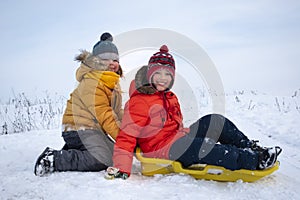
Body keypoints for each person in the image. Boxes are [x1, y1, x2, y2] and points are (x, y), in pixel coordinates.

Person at [105, 45, 282, 179]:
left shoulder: (170, 96)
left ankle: (250, 147)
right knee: (206, 148)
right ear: (150, 74)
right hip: (162, 149)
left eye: (167, 74)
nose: (163, 78)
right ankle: (254, 160)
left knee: (216, 121)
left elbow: (176, 125)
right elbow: (126, 136)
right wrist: (122, 168)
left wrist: (187, 135)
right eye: (158, 73)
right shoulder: (139, 101)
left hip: (179, 137)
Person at [34, 32, 123, 176]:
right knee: (103, 158)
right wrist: (123, 139)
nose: (112, 63)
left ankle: (74, 150)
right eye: (106, 59)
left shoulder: (112, 82)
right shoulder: (92, 82)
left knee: (116, 154)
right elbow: (105, 115)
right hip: (78, 129)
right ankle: (53, 159)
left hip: (93, 131)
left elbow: (118, 113)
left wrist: (132, 131)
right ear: (96, 61)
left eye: (115, 59)